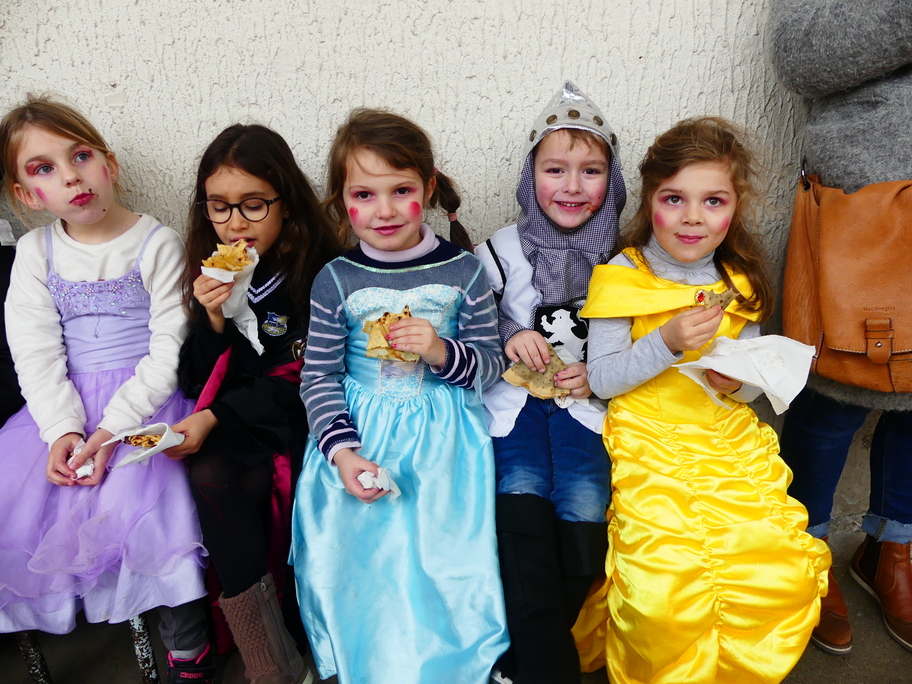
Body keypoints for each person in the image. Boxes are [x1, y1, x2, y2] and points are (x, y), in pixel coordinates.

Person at [574, 118, 830, 684]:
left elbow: (754, 376)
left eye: (713, 201)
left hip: (721, 433)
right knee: (666, 584)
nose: (693, 217)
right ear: (650, 201)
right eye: (675, 199)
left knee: (777, 565)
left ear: (734, 208)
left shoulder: (738, 282)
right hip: (648, 431)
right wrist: (665, 342)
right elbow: (603, 379)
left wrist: (735, 384)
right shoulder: (622, 276)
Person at [291, 108, 509, 684]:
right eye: (364, 194)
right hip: (359, 434)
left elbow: (490, 365)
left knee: (440, 557)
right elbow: (318, 377)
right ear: (342, 200)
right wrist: (343, 453)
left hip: (444, 440)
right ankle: (363, 660)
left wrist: (439, 352)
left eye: (401, 191)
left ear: (428, 189)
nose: (383, 210)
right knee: (354, 556)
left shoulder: (464, 271)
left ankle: (450, 664)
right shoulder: (335, 279)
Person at [0, 96, 211, 683]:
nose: (71, 176)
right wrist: (62, 429)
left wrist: (115, 428)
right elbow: (35, 350)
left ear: (109, 165)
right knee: (28, 506)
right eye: (44, 168)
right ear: (26, 194)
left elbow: (169, 347)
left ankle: (188, 647)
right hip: (63, 407)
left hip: (147, 400)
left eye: (81, 156)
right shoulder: (35, 253)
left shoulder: (157, 242)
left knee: (155, 510)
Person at [165, 123, 343, 684]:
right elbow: (197, 378)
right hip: (242, 416)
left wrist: (215, 415)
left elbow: (305, 375)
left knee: (260, 477)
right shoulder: (215, 271)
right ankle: (269, 659)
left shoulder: (320, 272)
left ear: (286, 203)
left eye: (253, 205)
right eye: (219, 207)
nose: (235, 223)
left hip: (311, 413)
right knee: (210, 471)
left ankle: (298, 636)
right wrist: (213, 317)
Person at [768, 0, 912, 655]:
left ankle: (892, 549)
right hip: (865, 210)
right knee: (832, 396)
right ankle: (807, 552)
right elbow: (799, 56)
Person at [474, 81, 624, 684]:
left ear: (612, 180)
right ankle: (547, 666)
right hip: (515, 403)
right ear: (529, 174)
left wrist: (602, 370)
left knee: (586, 504)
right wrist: (510, 332)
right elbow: (472, 316)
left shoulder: (623, 258)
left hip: (584, 406)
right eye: (554, 169)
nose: (572, 186)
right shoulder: (500, 250)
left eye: (591, 171)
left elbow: (637, 334)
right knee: (521, 491)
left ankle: (530, 658)